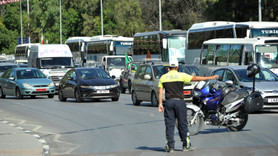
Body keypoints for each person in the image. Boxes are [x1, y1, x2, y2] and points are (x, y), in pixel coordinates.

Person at [158, 58, 219, 153]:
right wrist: (210, 78)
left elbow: (160, 91)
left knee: (169, 125)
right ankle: (186, 146)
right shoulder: (181, 75)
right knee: (182, 124)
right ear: (177, 66)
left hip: (169, 102)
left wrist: (160, 104)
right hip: (180, 102)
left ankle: (170, 147)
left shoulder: (163, 77)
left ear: (168, 67)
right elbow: (196, 78)